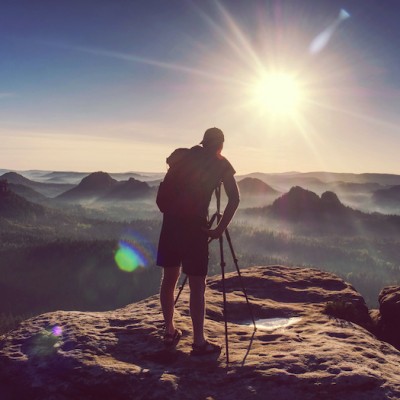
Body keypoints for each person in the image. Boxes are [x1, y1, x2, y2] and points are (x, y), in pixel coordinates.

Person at [157, 127, 240, 356]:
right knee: (197, 285)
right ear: (221, 144)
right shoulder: (220, 163)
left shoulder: (183, 155)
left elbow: (169, 164)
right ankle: (199, 342)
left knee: (169, 278)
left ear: (203, 142)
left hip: (170, 225)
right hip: (195, 228)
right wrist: (219, 229)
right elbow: (235, 198)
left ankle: (169, 331)